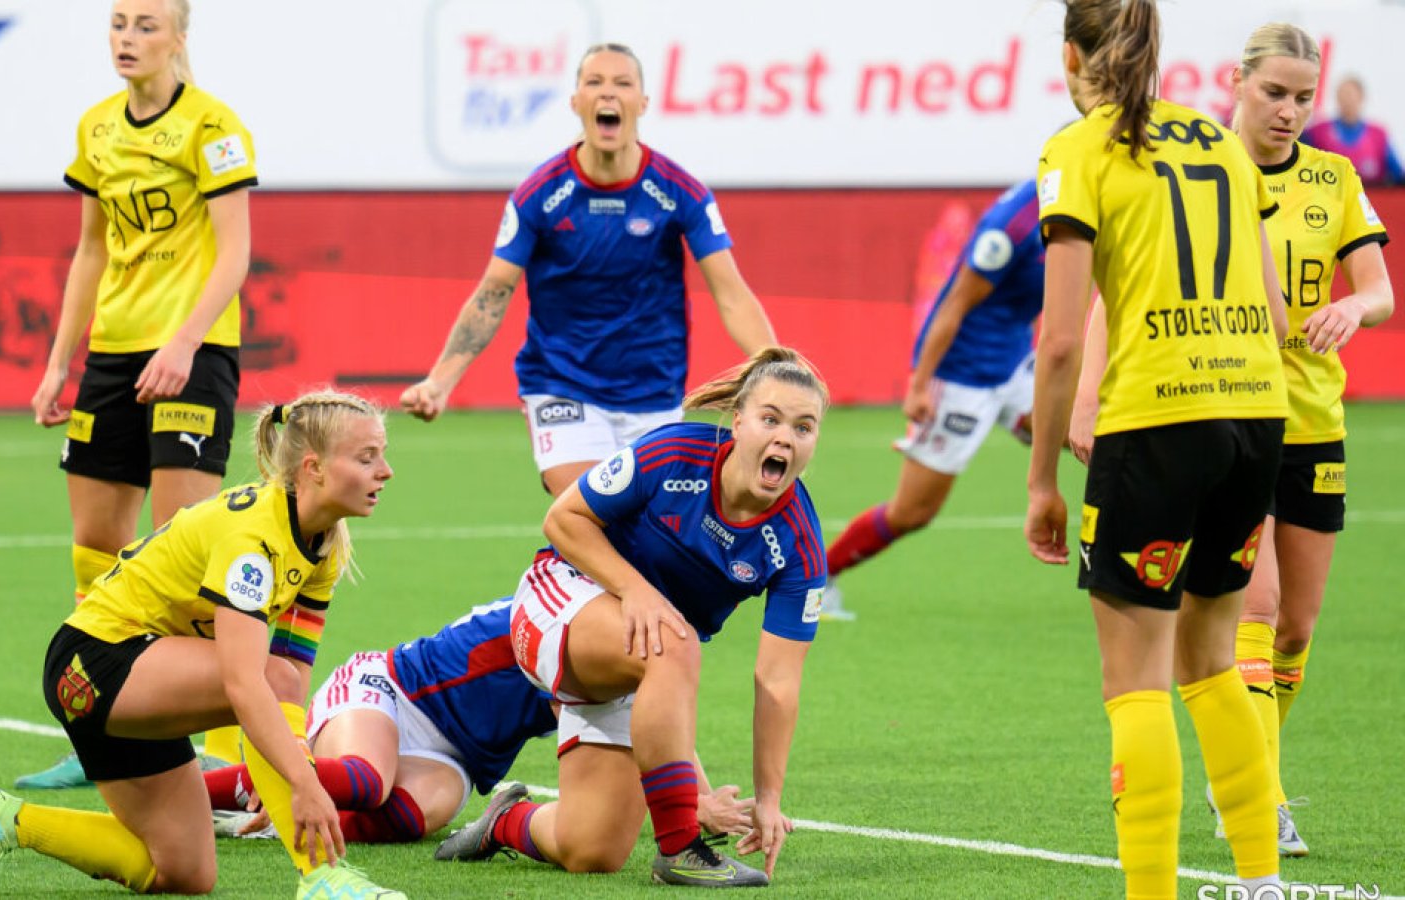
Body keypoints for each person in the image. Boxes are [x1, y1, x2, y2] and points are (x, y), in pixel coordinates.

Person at [1026, 2, 1293, 897]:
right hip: (1256, 419)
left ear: (1071, 54)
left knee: (1134, 683)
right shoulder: (1219, 143)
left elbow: (1061, 340)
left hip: (1156, 422)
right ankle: (1260, 882)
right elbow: (1279, 311)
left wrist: (1038, 483)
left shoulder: (1078, 149)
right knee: (1214, 665)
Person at [0, 391, 403, 899]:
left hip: (150, 679)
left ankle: (8, 819)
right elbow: (247, 682)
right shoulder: (253, 541)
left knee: (185, 873)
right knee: (264, 679)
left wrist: (281, 763)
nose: (385, 471)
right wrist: (302, 784)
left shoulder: (326, 546)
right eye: (367, 458)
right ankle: (320, 879)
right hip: (95, 661)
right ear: (313, 468)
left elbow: (294, 669)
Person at [433, 347, 827, 888]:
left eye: (804, 427)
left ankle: (505, 821)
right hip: (559, 599)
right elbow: (563, 518)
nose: (786, 436)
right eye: (771, 418)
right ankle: (681, 849)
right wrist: (635, 590)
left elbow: (777, 681)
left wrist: (769, 798)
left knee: (593, 848)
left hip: (637, 662)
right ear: (737, 421)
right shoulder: (674, 452)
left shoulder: (800, 546)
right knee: (674, 638)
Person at [20, 0, 259, 788]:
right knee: (97, 546)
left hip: (192, 353)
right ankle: (101, 725)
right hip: (113, 360)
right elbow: (91, 252)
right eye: (119, 23)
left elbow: (235, 253)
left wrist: (184, 342)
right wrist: (62, 361)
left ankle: (217, 749)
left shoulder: (213, 126)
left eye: (146, 25)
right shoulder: (95, 127)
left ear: (179, 38)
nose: (128, 38)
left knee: (183, 547)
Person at [399, 43, 777, 497]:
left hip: (653, 391)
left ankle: (561, 572)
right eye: (594, 82)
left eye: (622, 83)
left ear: (643, 103)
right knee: (590, 510)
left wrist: (777, 369)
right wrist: (440, 382)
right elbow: (493, 292)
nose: (608, 94)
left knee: (645, 538)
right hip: (562, 385)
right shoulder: (539, 194)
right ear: (575, 101)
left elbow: (731, 293)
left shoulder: (680, 192)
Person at [1215, 25, 1393, 858]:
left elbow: (1380, 290)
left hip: (1315, 425)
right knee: (1256, 612)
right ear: (1239, 83)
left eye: (1301, 98)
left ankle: (1250, 777)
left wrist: (1353, 309)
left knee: (1298, 628)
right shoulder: (1203, 172)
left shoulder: (1333, 178)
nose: (1288, 111)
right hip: (1231, 423)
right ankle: (1256, 798)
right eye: (1274, 93)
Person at [206, 598, 761, 844]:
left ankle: (282, 822)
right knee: (366, 782)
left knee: (410, 819)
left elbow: (651, 707)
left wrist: (696, 800)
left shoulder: (615, 636)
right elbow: (645, 713)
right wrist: (691, 803)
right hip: (390, 691)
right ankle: (222, 783)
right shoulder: (568, 621)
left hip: (456, 757)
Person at [820, 179, 1044, 620]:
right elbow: (953, 304)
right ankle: (818, 577)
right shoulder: (1011, 226)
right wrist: (920, 384)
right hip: (960, 377)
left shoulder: (1096, 203)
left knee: (1093, 442)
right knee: (912, 512)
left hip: (1016, 364)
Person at [1303, 76, 1405, 188]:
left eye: (1350, 95)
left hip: (1371, 200)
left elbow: (1398, 176)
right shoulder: (1318, 132)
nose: (1346, 101)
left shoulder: (1378, 135)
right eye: (1342, 95)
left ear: (1361, 97)